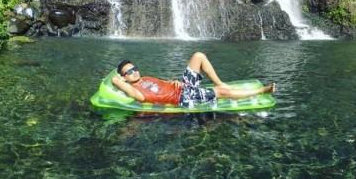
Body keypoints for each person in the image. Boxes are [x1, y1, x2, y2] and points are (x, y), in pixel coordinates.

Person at [112, 52, 275, 108]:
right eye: (129, 72)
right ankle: (262, 90)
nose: (134, 72)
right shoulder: (136, 91)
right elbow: (136, 95)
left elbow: (163, 85)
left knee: (198, 56)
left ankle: (219, 82)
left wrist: (174, 81)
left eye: (135, 68)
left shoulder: (145, 78)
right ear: (124, 78)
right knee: (221, 93)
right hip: (183, 98)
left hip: (182, 88)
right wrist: (118, 82)